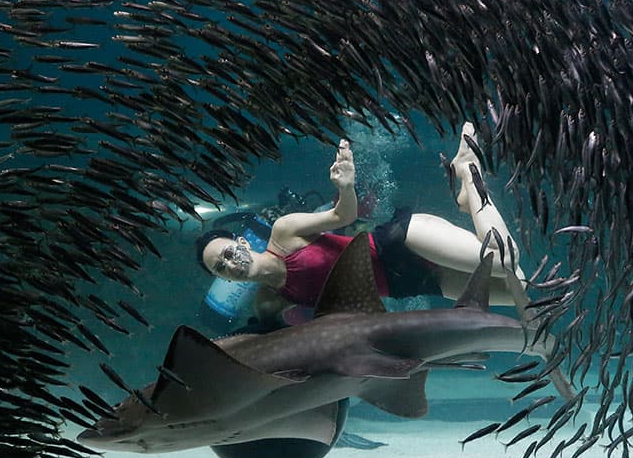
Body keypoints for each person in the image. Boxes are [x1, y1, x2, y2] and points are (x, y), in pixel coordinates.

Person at [195, 122, 531, 327]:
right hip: (414, 284)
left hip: (401, 242)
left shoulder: (284, 233)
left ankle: (469, 176)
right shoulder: (269, 302)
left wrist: (345, 186)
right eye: (219, 268)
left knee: (503, 260)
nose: (228, 264)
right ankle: (466, 199)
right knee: (520, 289)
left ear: (240, 243)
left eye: (225, 253)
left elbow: (343, 217)